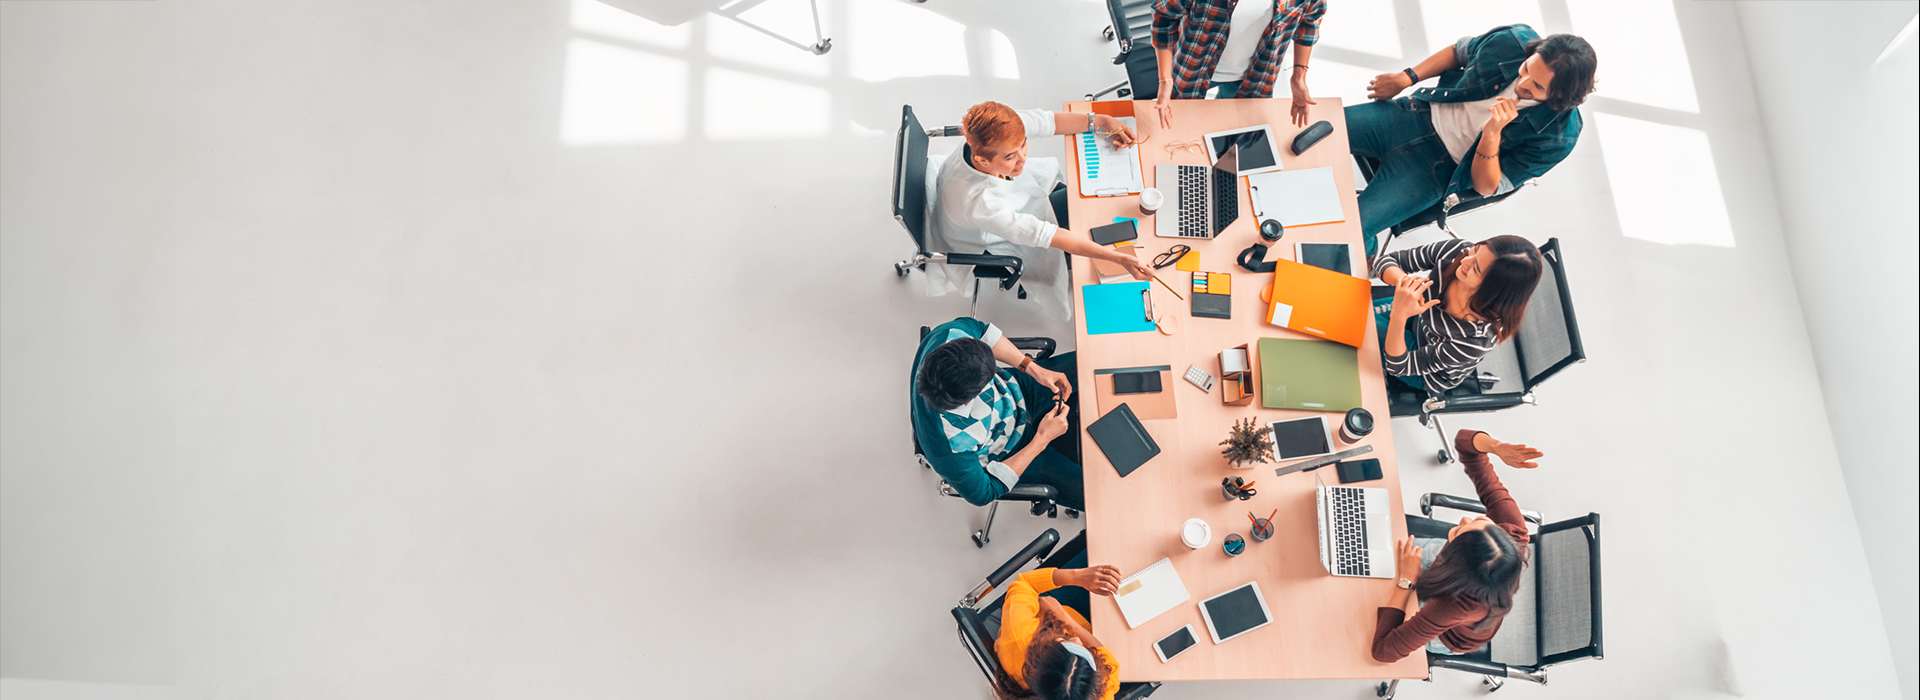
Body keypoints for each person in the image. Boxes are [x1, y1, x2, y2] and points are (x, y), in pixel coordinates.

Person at [1347, 25, 1597, 256]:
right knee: (1313, 126)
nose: (1523, 83)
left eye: (1537, 87)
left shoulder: (1559, 136)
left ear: (1561, 95)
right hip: (1412, 115)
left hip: (1436, 170)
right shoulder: (1511, 40)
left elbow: (1486, 187)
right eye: (1527, 69)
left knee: (1353, 228)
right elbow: (1458, 53)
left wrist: (1491, 135)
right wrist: (1407, 77)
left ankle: (1368, 264)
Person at [926, 102, 1153, 321]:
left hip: (1005, 204)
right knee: (1066, 245)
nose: (1022, 159)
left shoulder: (991, 133)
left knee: (1081, 204)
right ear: (982, 161)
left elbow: (1048, 121)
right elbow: (1048, 235)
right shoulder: (980, 202)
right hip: (986, 237)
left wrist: (1101, 120)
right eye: (1010, 157)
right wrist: (1118, 258)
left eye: (1023, 146)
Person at [1371, 429, 1543, 662]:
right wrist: (1495, 446)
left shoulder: (1456, 605)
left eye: (1464, 531)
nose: (1464, 519)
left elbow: (1384, 651)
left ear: (1456, 560)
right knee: (1372, 552)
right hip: (1461, 577)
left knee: (1368, 601)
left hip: (1446, 634)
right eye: (1481, 522)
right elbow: (1466, 445)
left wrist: (1406, 582)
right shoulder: (1512, 529)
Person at [912, 317, 1085, 511]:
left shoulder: (949, 336)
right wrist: (1042, 439)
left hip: (1017, 387)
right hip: (1011, 450)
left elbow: (983, 331)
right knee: (1097, 493)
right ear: (971, 399)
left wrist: (1034, 369)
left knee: (1097, 360)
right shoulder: (950, 447)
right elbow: (983, 493)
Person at [1370, 236, 1542, 392]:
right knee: (1351, 308)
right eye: (1474, 250)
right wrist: (1407, 284)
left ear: (1492, 290)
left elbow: (1399, 365)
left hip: (1422, 370)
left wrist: (1399, 314)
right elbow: (1385, 262)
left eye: (1476, 269)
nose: (1465, 260)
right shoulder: (1459, 251)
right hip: (1418, 319)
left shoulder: (1475, 341)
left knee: (1355, 318)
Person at [1150, 0, 1326, 128]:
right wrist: (1165, 79)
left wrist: (1299, 77)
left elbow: (1309, 22)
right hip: (1194, 70)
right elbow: (1164, 14)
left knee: (1236, 134)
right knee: (1179, 129)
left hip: (1255, 77)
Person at [994, 559, 1124, 700]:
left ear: (1043, 654)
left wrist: (1078, 576)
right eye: (1085, 653)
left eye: (1065, 643)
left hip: (1046, 612)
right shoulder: (1097, 693)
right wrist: (1065, 619)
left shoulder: (1018, 635)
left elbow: (1025, 583)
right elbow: (1110, 665)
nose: (1077, 639)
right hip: (1074, 620)